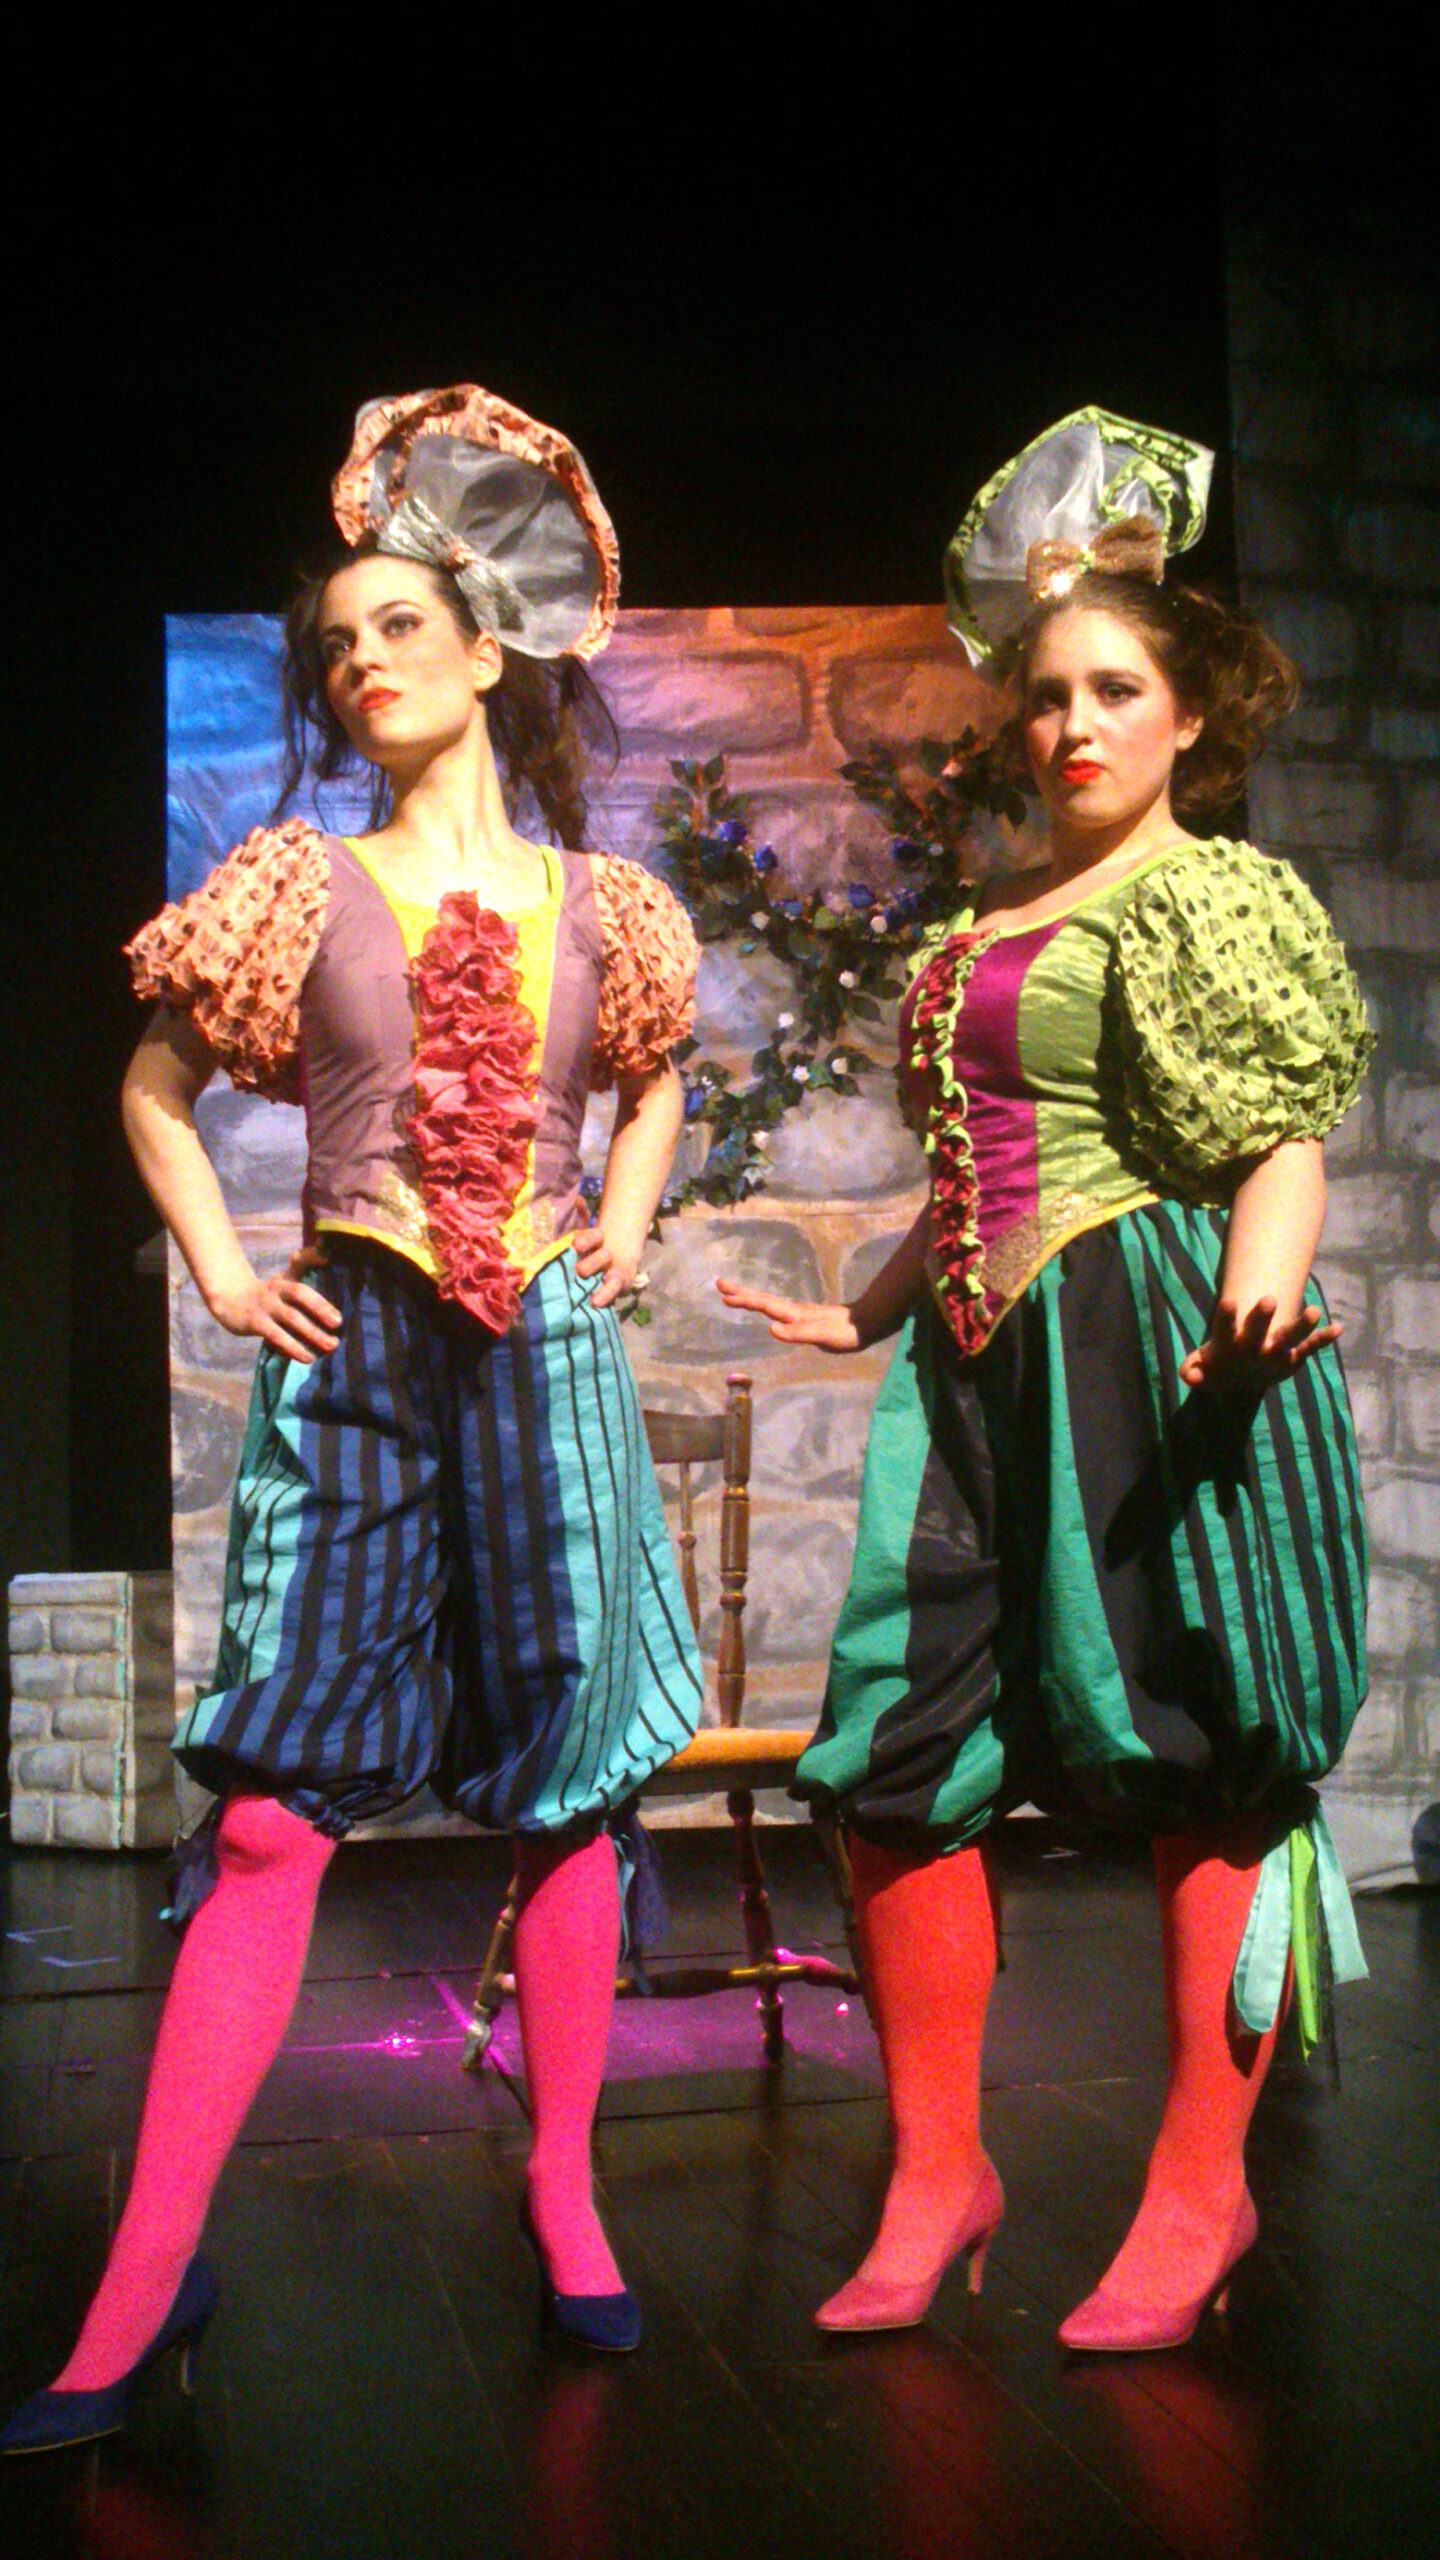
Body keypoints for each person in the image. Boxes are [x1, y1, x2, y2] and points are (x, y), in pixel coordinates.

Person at [3, 385, 702, 2451]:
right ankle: (146, 2270)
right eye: (336, 646)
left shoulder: (607, 902)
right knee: (266, 1813)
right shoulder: (294, 882)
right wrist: (227, 1269)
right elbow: (153, 1084)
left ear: (487, 648)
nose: (361, 663)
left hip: (550, 1360)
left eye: (398, 627)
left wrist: (627, 1222)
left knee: (567, 1790)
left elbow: (654, 1072)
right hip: (363, 1366)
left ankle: (562, 2184)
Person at [719, 409, 1372, 2352]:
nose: (1073, 721)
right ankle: (941, 2170)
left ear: (1192, 714)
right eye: (1050, 691)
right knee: (896, 1755)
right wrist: (868, 1310)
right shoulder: (985, 928)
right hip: (976, 1372)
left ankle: (1201, 2183)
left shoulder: (1210, 896)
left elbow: (1280, 1137)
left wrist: (1258, 1300)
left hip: (1154, 1347)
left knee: (1192, 1738)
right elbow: (970, 1172)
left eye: (1116, 689)